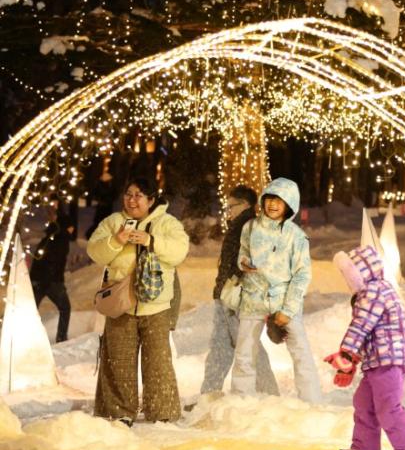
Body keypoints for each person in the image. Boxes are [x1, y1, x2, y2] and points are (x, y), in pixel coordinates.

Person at [87, 175, 189, 425]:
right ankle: (119, 412)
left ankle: (162, 412)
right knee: (118, 361)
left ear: (151, 199)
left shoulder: (167, 223)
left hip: (156, 305)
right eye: (128, 194)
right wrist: (116, 240)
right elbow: (94, 251)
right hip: (121, 303)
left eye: (139, 195)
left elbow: (179, 252)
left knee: (158, 363)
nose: (132, 200)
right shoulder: (114, 223)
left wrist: (150, 241)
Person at [325, 245, 405, 450]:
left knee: (389, 405)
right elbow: (369, 333)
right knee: (364, 402)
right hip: (378, 360)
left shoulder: (374, 291)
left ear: (361, 273)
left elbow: (360, 326)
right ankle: (365, 448)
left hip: (389, 360)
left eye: (349, 275)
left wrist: (346, 357)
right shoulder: (376, 290)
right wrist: (354, 358)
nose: (348, 280)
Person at [231, 177, 321, 404]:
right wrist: (243, 262)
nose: (272, 205)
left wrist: (288, 310)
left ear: (289, 204)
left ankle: (312, 403)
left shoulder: (296, 235)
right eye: (269, 199)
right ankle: (241, 401)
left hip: (283, 301)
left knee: (301, 354)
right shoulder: (250, 227)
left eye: (279, 201)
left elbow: (302, 274)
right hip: (252, 299)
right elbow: (241, 252)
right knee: (244, 354)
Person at [199, 185, 279, 395]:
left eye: (232, 206)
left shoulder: (249, 225)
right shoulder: (241, 225)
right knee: (221, 348)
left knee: (247, 347)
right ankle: (209, 393)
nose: (229, 210)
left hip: (236, 297)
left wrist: (238, 281)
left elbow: (254, 262)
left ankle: (269, 393)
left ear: (245, 204)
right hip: (227, 295)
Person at [30, 201, 74, 343]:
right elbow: (52, 262)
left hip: (38, 279)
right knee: (65, 308)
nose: (73, 229)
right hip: (50, 280)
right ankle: (61, 338)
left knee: (30, 309)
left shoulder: (50, 237)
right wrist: (47, 282)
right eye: (71, 226)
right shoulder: (61, 240)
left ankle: (28, 337)